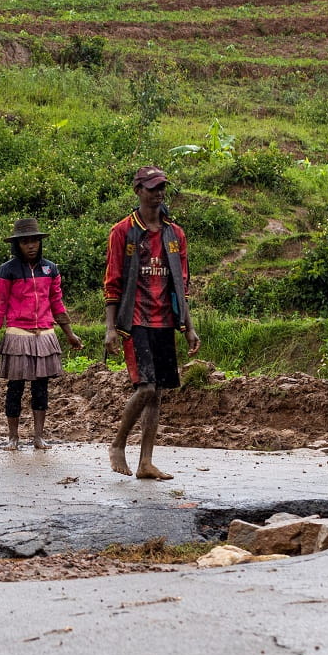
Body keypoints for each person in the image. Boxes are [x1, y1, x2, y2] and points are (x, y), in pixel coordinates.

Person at [103, 165, 199, 481]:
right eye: (152, 187)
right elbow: (113, 281)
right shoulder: (123, 232)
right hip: (134, 319)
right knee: (145, 387)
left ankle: (146, 461)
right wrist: (109, 328)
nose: (158, 193)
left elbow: (181, 285)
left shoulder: (175, 234)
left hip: (164, 321)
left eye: (161, 188)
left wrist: (189, 327)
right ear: (138, 191)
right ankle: (117, 444)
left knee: (157, 393)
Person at [0, 217, 83, 450]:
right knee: (15, 388)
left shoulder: (50, 268)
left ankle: (38, 436)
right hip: (18, 333)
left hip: (45, 334)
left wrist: (70, 333)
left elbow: (57, 303)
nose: (31, 245)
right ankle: (13, 437)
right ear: (17, 245)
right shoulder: (7, 270)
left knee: (41, 388)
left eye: (34, 241)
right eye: (25, 242)